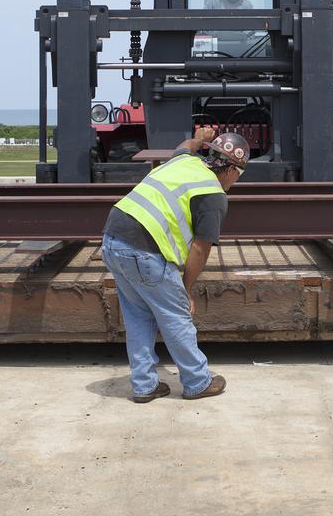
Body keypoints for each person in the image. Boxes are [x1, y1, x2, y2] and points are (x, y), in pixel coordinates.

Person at [101, 127, 250, 402]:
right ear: (231, 169)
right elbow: (200, 249)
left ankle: (144, 385)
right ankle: (197, 381)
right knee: (176, 316)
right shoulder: (213, 194)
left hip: (112, 239)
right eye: (240, 174)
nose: (237, 180)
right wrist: (186, 289)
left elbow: (185, 145)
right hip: (143, 250)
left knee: (138, 317)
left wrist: (200, 140)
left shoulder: (185, 160)